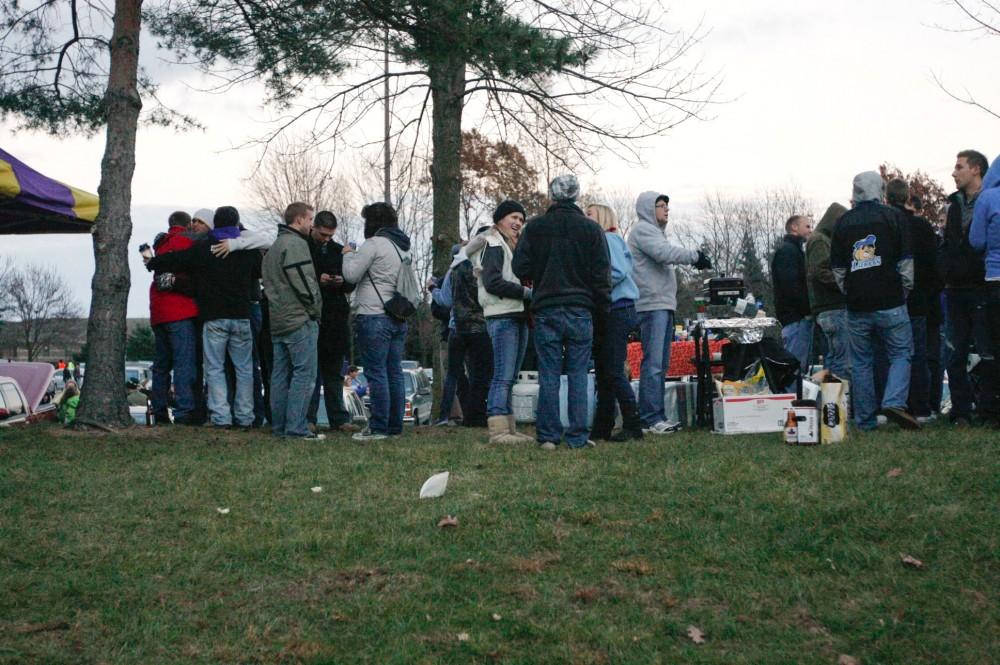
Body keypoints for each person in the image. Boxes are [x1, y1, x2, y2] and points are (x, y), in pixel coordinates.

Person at [512, 176, 611, 450]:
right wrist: (603, 308)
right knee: (579, 373)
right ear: (577, 195)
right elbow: (602, 275)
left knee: (549, 374)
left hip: (546, 308)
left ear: (552, 195)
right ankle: (577, 435)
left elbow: (520, 267)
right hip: (581, 308)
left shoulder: (536, 228)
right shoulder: (591, 230)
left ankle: (548, 436)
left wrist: (541, 272)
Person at [145, 206, 261, 429]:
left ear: (215, 224)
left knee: (215, 369)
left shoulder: (205, 247)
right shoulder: (248, 249)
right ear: (237, 224)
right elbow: (259, 270)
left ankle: (221, 417)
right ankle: (245, 416)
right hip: (241, 316)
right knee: (244, 369)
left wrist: (154, 262)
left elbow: (179, 259)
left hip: (214, 317)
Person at [830, 172, 919, 431]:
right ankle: (893, 401)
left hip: (857, 304)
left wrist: (851, 291)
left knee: (860, 362)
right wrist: (903, 291)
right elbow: (905, 262)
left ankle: (865, 420)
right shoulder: (894, 216)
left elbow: (838, 269)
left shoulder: (843, 222)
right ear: (880, 190)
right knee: (901, 353)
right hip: (891, 299)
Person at [628, 191, 712, 434]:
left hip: (662, 304)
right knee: (653, 364)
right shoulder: (644, 230)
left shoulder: (655, 233)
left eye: (667, 206)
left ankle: (654, 416)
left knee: (660, 363)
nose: (666, 209)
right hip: (652, 305)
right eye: (660, 206)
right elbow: (665, 253)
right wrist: (694, 256)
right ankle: (650, 418)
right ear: (647, 209)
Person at [342, 202, 413, 441]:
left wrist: (348, 255)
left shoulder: (373, 244)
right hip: (397, 316)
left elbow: (351, 275)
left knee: (376, 373)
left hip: (373, 314)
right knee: (394, 372)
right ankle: (394, 427)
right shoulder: (403, 247)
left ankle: (378, 427)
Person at [468, 205, 533, 443]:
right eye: (514, 217)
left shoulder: (510, 245)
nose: (518, 222)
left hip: (516, 314)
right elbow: (493, 281)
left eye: (521, 219)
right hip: (502, 313)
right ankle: (498, 430)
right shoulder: (493, 244)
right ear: (500, 219)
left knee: (511, 376)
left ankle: (510, 428)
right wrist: (526, 293)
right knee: (502, 376)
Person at [262, 202, 324, 440]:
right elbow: (304, 281)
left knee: (279, 375)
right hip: (299, 319)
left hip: (277, 319)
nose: (311, 225)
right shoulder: (296, 245)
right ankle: (297, 428)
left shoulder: (274, 247)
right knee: (304, 375)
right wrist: (315, 309)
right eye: (310, 220)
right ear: (299, 220)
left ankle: (279, 427)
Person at [939, 150, 991, 426]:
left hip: (982, 286)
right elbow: (948, 243)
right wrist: (945, 269)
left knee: (987, 351)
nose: (953, 172)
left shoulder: (991, 200)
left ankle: (987, 408)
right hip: (956, 288)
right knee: (954, 351)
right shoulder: (954, 205)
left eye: (959, 167)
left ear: (976, 170)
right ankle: (961, 411)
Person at [586, 203, 643, 442]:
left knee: (612, 369)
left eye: (588, 214)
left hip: (616, 309)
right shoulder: (609, 240)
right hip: (612, 310)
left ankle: (632, 424)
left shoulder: (608, 240)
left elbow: (617, 272)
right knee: (604, 370)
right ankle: (603, 425)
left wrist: (591, 285)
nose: (585, 218)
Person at [886, 179, 940, 422]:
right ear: (908, 197)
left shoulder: (885, 226)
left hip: (889, 298)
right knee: (918, 353)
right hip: (919, 299)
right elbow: (933, 265)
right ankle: (921, 407)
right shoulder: (921, 227)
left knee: (892, 354)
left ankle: (893, 403)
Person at [148, 210, 203, 425]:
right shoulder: (188, 242)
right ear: (188, 224)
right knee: (183, 362)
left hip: (158, 311)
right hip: (181, 311)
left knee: (161, 364)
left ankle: (159, 410)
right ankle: (184, 410)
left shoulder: (160, 245)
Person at [305, 211, 358, 433]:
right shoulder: (304, 249)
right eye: (323, 234)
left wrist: (340, 281)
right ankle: (308, 417)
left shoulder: (337, 251)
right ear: (313, 227)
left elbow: (351, 282)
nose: (326, 239)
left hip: (335, 317)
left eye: (330, 235)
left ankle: (338, 417)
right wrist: (318, 279)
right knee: (310, 373)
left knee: (334, 373)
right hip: (313, 314)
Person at [968, 154, 1000, 425]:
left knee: (994, 348)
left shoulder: (988, 199)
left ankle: (991, 410)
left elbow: (976, 241)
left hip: (995, 279)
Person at [806, 203, 850, 381]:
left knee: (833, 359)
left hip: (827, 308)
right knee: (842, 361)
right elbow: (820, 271)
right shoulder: (820, 240)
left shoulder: (820, 239)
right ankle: (839, 402)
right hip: (832, 307)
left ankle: (831, 403)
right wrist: (846, 283)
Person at [772, 214, 814, 374]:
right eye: (807, 226)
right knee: (795, 367)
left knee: (798, 366)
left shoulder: (792, 251)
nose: (810, 230)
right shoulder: (788, 252)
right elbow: (791, 286)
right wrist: (806, 310)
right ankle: (793, 397)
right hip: (795, 318)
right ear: (794, 227)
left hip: (795, 317)